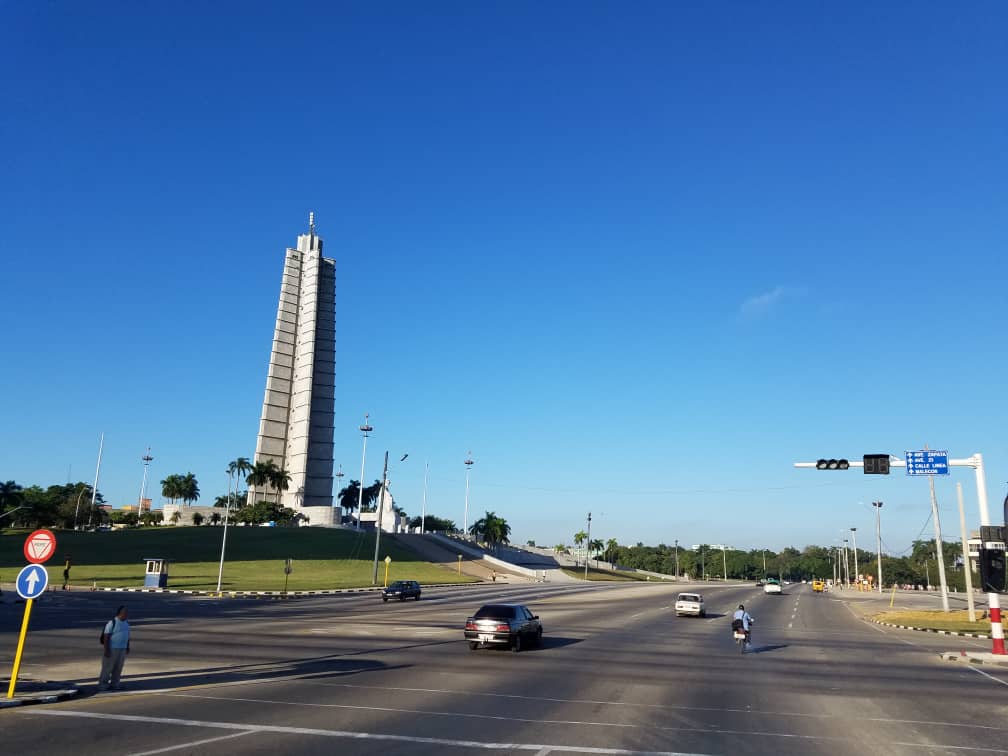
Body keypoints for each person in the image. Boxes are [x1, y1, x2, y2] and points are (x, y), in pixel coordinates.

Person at [98, 605, 130, 691]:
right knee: (107, 668)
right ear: (120, 613)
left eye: (127, 612)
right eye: (125, 612)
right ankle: (103, 685)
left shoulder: (126, 624)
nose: (127, 614)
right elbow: (106, 637)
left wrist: (127, 647)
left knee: (118, 668)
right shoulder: (112, 623)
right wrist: (106, 650)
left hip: (122, 649)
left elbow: (127, 636)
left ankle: (115, 684)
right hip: (112, 649)